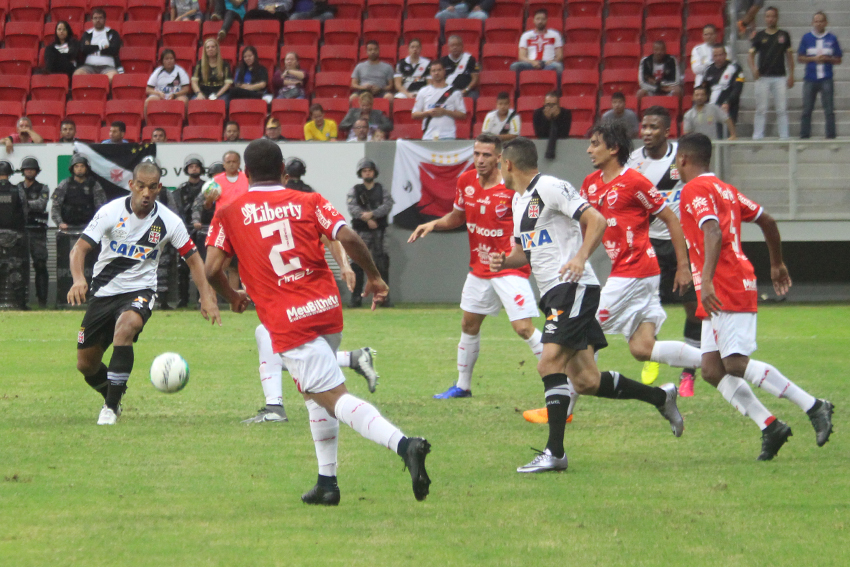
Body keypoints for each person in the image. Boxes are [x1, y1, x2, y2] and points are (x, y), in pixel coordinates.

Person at [204, 138, 431, 505]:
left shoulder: (229, 211)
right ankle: (327, 483)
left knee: (332, 397)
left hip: (288, 319)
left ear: (245, 174)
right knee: (314, 397)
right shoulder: (308, 200)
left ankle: (405, 445)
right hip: (326, 309)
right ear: (282, 171)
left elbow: (212, 268)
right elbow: (349, 236)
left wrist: (232, 297)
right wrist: (374, 276)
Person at [489, 137, 683, 473]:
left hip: (573, 288)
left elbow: (597, 220)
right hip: (554, 294)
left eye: (497, 163)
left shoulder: (550, 187)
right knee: (586, 381)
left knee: (549, 363)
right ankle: (660, 397)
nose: (497, 170)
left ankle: (555, 453)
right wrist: (504, 261)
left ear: (507, 164)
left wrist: (580, 257)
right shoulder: (520, 203)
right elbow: (524, 252)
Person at [675, 133, 834, 459]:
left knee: (734, 364)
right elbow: (768, 220)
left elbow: (712, 231)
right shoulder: (726, 190)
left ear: (683, 159)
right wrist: (776, 263)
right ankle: (770, 426)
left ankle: (814, 405)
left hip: (725, 285)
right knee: (711, 369)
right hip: (721, 285)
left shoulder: (694, 190)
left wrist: (706, 281)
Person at [68, 161, 219, 425]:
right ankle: (113, 394)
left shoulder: (169, 221)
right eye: (140, 186)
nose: (146, 193)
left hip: (140, 291)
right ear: (131, 185)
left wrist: (206, 295)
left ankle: (110, 408)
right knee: (86, 365)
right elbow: (78, 249)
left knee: (127, 326)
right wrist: (79, 279)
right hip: (103, 293)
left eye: (151, 187)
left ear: (159, 188)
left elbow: (194, 259)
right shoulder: (110, 212)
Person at [408, 133, 552, 400]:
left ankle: (562, 374)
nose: (480, 159)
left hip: (508, 267)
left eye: (486, 155)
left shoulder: (512, 187)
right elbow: (457, 218)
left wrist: (522, 254)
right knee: (469, 324)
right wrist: (433, 224)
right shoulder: (466, 181)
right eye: (476, 154)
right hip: (479, 268)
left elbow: (533, 225)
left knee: (523, 328)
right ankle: (463, 386)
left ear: (499, 158)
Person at [581, 123, 703, 391]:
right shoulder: (590, 184)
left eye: (595, 144)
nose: (589, 150)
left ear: (613, 149)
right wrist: (580, 255)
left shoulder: (634, 181)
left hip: (634, 271)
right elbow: (585, 222)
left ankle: (562, 406)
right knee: (642, 348)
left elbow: (671, 218)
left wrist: (683, 266)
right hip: (634, 272)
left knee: (582, 329)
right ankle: (716, 362)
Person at [627, 106, 701, 396]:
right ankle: (652, 353)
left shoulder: (681, 159)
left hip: (683, 241)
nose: (647, 132)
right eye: (644, 126)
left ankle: (689, 373)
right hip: (649, 243)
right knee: (646, 304)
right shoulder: (633, 161)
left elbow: (699, 188)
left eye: (654, 127)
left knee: (693, 307)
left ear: (667, 131)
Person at [346, 158, 392, 307]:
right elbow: (352, 208)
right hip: (361, 232)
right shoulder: (355, 190)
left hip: (379, 232)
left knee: (382, 264)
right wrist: (366, 218)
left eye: (370, 171)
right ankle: (356, 298)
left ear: (374, 172)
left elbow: (387, 205)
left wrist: (372, 214)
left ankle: (383, 298)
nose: (367, 173)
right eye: (364, 171)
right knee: (357, 263)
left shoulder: (381, 190)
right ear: (360, 173)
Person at [748, 6, 793, 139]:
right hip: (762, 77)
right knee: (761, 109)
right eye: (768, 16)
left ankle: (784, 137)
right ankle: (757, 136)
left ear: (777, 17)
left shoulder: (784, 35)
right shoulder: (759, 36)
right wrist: (753, 69)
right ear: (765, 18)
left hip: (780, 77)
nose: (770, 19)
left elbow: (789, 56)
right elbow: (750, 56)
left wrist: (791, 74)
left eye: (773, 16)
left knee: (782, 109)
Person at [798, 11, 842, 139]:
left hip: (826, 78)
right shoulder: (806, 38)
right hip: (810, 78)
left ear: (826, 23)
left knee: (829, 110)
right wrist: (813, 59)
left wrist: (827, 59)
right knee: (807, 109)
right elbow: (800, 58)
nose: (818, 24)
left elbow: (838, 59)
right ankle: (804, 137)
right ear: (812, 23)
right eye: (816, 21)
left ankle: (831, 137)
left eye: (821, 21)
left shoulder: (832, 38)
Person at [171, 155, 206, 308]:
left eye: (196, 166)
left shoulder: (207, 187)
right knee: (183, 266)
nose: (194, 169)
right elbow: (176, 209)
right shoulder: (181, 189)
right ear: (186, 169)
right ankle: (183, 299)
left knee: (202, 265)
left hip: (203, 230)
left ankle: (202, 298)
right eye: (191, 167)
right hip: (185, 230)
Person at [17, 158, 50, 308]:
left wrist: (22, 204)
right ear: (23, 171)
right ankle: (20, 302)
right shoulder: (17, 188)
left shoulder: (43, 188)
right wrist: (28, 205)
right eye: (27, 169)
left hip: (38, 231)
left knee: (40, 265)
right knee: (18, 266)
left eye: (32, 169)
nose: (29, 171)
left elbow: (41, 204)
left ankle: (42, 302)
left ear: (36, 172)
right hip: (20, 231)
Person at [412, 60, 467, 140]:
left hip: (448, 136)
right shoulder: (423, 91)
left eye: (439, 70)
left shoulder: (455, 92)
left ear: (444, 71)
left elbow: (463, 115)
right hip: (428, 136)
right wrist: (428, 113)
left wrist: (445, 112)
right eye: (433, 71)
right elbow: (414, 114)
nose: (436, 73)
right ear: (430, 73)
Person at [51, 154, 108, 231]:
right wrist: (60, 223)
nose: (79, 169)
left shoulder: (94, 185)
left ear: (86, 168)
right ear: (72, 169)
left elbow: (101, 207)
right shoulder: (65, 184)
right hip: (68, 227)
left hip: (89, 227)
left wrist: (97, 223)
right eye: (76, 166)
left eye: (82, 166)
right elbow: (56, 207)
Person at [0, 160, 29, 309]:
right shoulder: (18, 190)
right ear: (10, 173)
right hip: (14, 236)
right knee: (16, 269)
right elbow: (25, 212)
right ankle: (20, 304)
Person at [510, 9, 564, 81]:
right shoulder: (526, 35)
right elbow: (521, 56)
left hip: (548, 63)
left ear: (546, 20)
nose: (540, 21)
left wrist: (552, 61)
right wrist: (532, 62)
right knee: (515, 66)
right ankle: (517, 88)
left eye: (543, 19)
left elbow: (559, 55)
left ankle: (557, 88)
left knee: (558, 66)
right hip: (531, 63)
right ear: (533, 20)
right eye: (538, 19)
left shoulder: (555, 35)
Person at [75, 8, 123, 84]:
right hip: (89, 66)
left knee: (112, 78)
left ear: (105, 19)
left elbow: (114, 50)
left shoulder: (112, 33)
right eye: (95, 18)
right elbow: (84, 49)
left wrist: (92, 48)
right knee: (77, 75)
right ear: (92, 20)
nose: (98, 20)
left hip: (108, 67)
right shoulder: (87, 34)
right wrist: (101, 47)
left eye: (100, 18)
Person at [703, 45, 745, 124]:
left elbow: (737, 89)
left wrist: (727, 102)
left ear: (725, 55)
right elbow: (705, 89)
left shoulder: (735, 68)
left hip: (729, 107)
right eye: (715, 55)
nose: (718, 58)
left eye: (720, 55)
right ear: (712, 57)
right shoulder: (709, 70)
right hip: (712, 108)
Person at [145, 49, 191, 119]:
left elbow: (186, 89)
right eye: (166, 59)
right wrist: (158, 93)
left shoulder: (180, 71)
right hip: (160, 96)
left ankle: (183, 122)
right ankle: (148, 123)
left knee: (184, 101)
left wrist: (175, 95)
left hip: (176, 95)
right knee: (148, 101)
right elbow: (148, 89)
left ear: (174, 60)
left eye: (171, 58)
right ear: (162, 61)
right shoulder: (158, 71)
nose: (169, 61)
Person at [532, 91, 571, 159]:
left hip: (562, 147)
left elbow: (564, 134)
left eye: (553, 105)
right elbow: (539, 135)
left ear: (558, 105)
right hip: (542, 147)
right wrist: (547, 119)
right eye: (548, 105)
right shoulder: (537, 114)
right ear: (543, 104)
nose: (550, 107)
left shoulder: (566, 114)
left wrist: (557, 118)